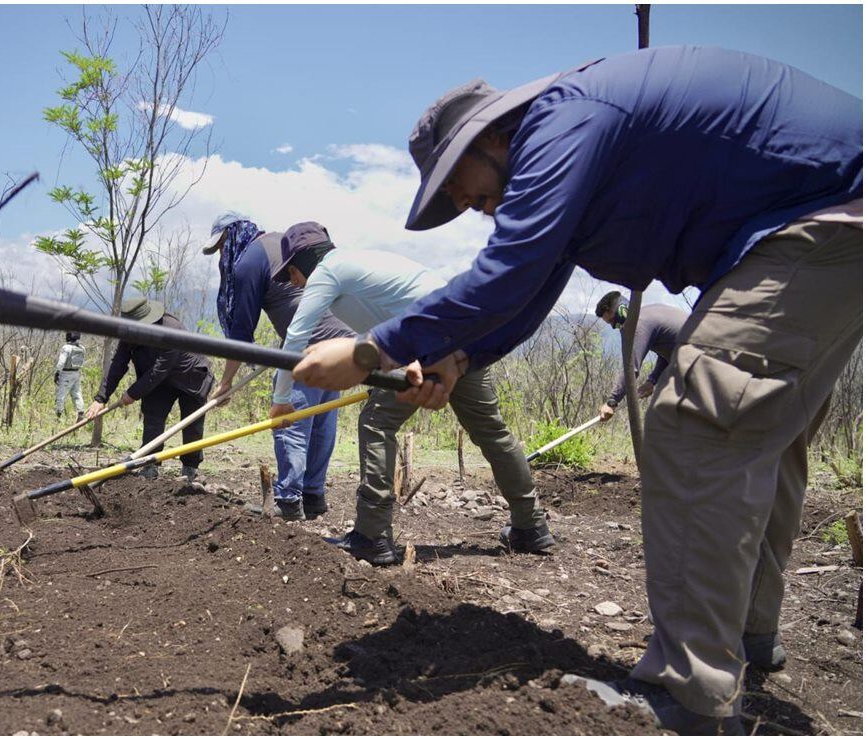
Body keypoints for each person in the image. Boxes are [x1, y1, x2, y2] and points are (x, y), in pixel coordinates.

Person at [293, 46, 860, 734]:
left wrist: (371, 349)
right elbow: (534, 282)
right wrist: (462, 356)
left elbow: (509, 268)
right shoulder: (574, 136)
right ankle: (746, 633)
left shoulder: (561, 121)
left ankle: (690, 699)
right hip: (827, 222)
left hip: (818, 221)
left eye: (462, 187)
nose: (467, 206)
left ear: (492, 137)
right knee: (762, 434)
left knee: (698, 425)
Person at [272, 222, 553, 565]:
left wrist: (281, 400)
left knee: (376, 422)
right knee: (491, 431)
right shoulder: (360, 264)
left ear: (305, 261)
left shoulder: (327, 271)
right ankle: (531, 525)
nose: (294, 283)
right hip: (466, 336)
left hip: (427, 342)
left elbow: (296, 336)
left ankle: (372, 535)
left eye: (291, 273)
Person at [203, 211, 355, 521]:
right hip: (342, 343)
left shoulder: (248, 261)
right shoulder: (278, 242)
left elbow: (241, 334)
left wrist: (226, 382)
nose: (220, 255)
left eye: (220, 247)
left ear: (231, 236)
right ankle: (313, 496)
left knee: (290, 420)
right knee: (321, 420)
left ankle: (288, 501)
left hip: (308, 346)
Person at [85, 297, 213, 483]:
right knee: (152, 419)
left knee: (192, 424)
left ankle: (190, 468)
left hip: (190, 376)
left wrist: (133, 393)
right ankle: (150, 465)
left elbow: (160, 369)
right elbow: (118, 364)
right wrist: (101, 398)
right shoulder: (129, 334)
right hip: (159, 383)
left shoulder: (171, 329)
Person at [592, 293, 687, 423]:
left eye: (612, 321)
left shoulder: (639, 324)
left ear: (622, 310)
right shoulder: (649, 314)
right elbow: (669, 352)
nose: (613, 327)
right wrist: (652, 381)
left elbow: (631, 369)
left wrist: (612, 401)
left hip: (702, 364)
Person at [55, 331, 87, 422]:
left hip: (66, 373)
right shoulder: (82, 348)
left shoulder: (66, 348)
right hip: (76, 373)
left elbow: (61, 362)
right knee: (77, 393)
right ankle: (81, 412)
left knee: (61, 395)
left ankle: (58, 416)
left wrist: (57, 373)